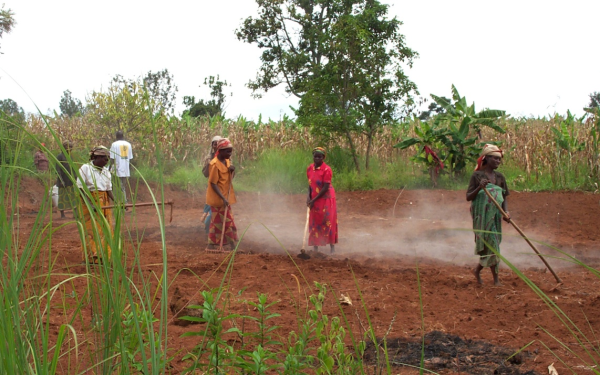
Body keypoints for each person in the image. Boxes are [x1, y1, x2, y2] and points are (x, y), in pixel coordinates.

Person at [466, 144, 510, 286]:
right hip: (482, 217)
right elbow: (469, 197)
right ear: (486, 158)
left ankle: (478, 270)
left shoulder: (500, 177)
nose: (498, 161)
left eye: (499, 159)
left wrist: (506, 212)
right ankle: (496, 280)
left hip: (495, 216)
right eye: (495, 159)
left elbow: (503, 197)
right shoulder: (477, 176)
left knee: (492, 245)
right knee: (493, 247)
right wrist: (480, 187)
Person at [77, 146, 115, 263]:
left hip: (104, 203)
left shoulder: (106, 172)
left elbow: (108, 189)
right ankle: (90, 257)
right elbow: (80, 188)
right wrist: (90, 204)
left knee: (105, 229)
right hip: (89, 200)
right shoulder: (85, 168)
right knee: (91, 229)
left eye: (108, 158)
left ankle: (103, 256)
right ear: (96, 157)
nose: (106, 161)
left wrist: (117, 202)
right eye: (104, 158)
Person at [206, 138, 237, 250]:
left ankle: (213, 245)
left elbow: (229, 179)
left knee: (224, 221)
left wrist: (232, 171)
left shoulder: (227, 161)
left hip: (225, 198)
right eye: (228, 151)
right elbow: (213, 183)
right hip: (217, 199)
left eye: (231, 151)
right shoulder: (214, 164)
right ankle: (231, 246)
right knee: (222, 222)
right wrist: (223, 198)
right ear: (221, 151)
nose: (230, 154)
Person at [306, 147, 338, 254]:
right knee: (314, 221)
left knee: (327, 221)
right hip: (315, 198)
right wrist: (309, 197)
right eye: (315, 156)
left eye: (319, 157)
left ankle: (332, 248)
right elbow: (310, 184)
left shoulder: (327, 170)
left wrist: (314, 199)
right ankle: (315, 248)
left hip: (326, 198)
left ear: (323, 158)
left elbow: (325, 188)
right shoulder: (310, 168)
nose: (317, 159)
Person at [201, 135, 222, 233]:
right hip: (212, 188)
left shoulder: (226, 158)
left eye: (218, 143)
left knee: (220, 212)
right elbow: (205, 174)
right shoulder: (209, 158)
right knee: (211, 210)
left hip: (222, 188)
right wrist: (210, 164)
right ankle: (208, 229)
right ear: (212, 145)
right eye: (214, 144)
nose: (216, 145)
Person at [109, 130, 133, 204]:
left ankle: (122, 203)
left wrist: (109, 168)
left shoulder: (114, 144)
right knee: (122, 186)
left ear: (116, 136)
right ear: (123, 136)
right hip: (125, 169)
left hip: (117, 168)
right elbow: (130, 158)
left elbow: (112, 158)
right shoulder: (128, 144)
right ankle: (123, 202)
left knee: (115, 186)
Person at [56, 141, 77, 219]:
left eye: (71, 147)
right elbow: (58, 169)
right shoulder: (60, 156)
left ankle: (75, 214)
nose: (70, 149)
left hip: (70, 180)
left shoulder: (70, 157)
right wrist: (61, 180)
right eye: (68, 147)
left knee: (73, 197)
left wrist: (75, 178)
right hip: (63, 181)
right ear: (64, 147)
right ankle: (62, 214)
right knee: (62, 197)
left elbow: (73, 168)